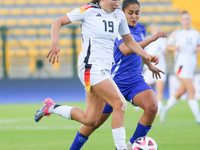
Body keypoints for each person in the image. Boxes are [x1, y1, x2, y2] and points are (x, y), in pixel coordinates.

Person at [33, 0, 158, 149]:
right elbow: (57, 22)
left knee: (90, 119)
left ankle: (51, 107)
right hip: (90, 67)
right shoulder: (87, 10)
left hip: (104, 71)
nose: (117, 2)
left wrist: (146, 56)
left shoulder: (118, 14)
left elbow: (130, 41)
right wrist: (54, 42)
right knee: (120, 104)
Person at [68, 0, 167, 149]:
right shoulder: (115, 25)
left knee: (152, 106)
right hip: (115, 81)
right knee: (93, 123)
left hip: (135, 80)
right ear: (122, 12)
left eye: (137, 13)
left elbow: (137, 53)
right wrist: (152, 39)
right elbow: (125, 49)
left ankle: (129, 146)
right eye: (130, 13)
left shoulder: (140, 28)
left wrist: (148, 63)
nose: (134, 16)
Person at [160, 10, 200, 124]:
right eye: (184, 19)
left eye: (188, 19)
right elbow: (168, 47)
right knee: (192, 90)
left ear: (190, 20)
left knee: (180, 92)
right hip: (181, 66)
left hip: (191, 66)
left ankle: (165, 109)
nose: (186, 21)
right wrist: (174, 48)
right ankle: (198, 118)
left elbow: (198, 46)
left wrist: (197, 49)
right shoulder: (176, 33)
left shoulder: (195, 33)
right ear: (181, 21)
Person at [143, 23, 167, 115]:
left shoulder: (162, 41)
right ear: (152, 31)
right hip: (149, 67)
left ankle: (159, 110)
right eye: (155, 30)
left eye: (158, 30)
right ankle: (146, 106)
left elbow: (164, 51)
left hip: (160, 66)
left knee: (159, 89)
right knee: (147, 90)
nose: (156, 31)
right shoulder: (147, 40)